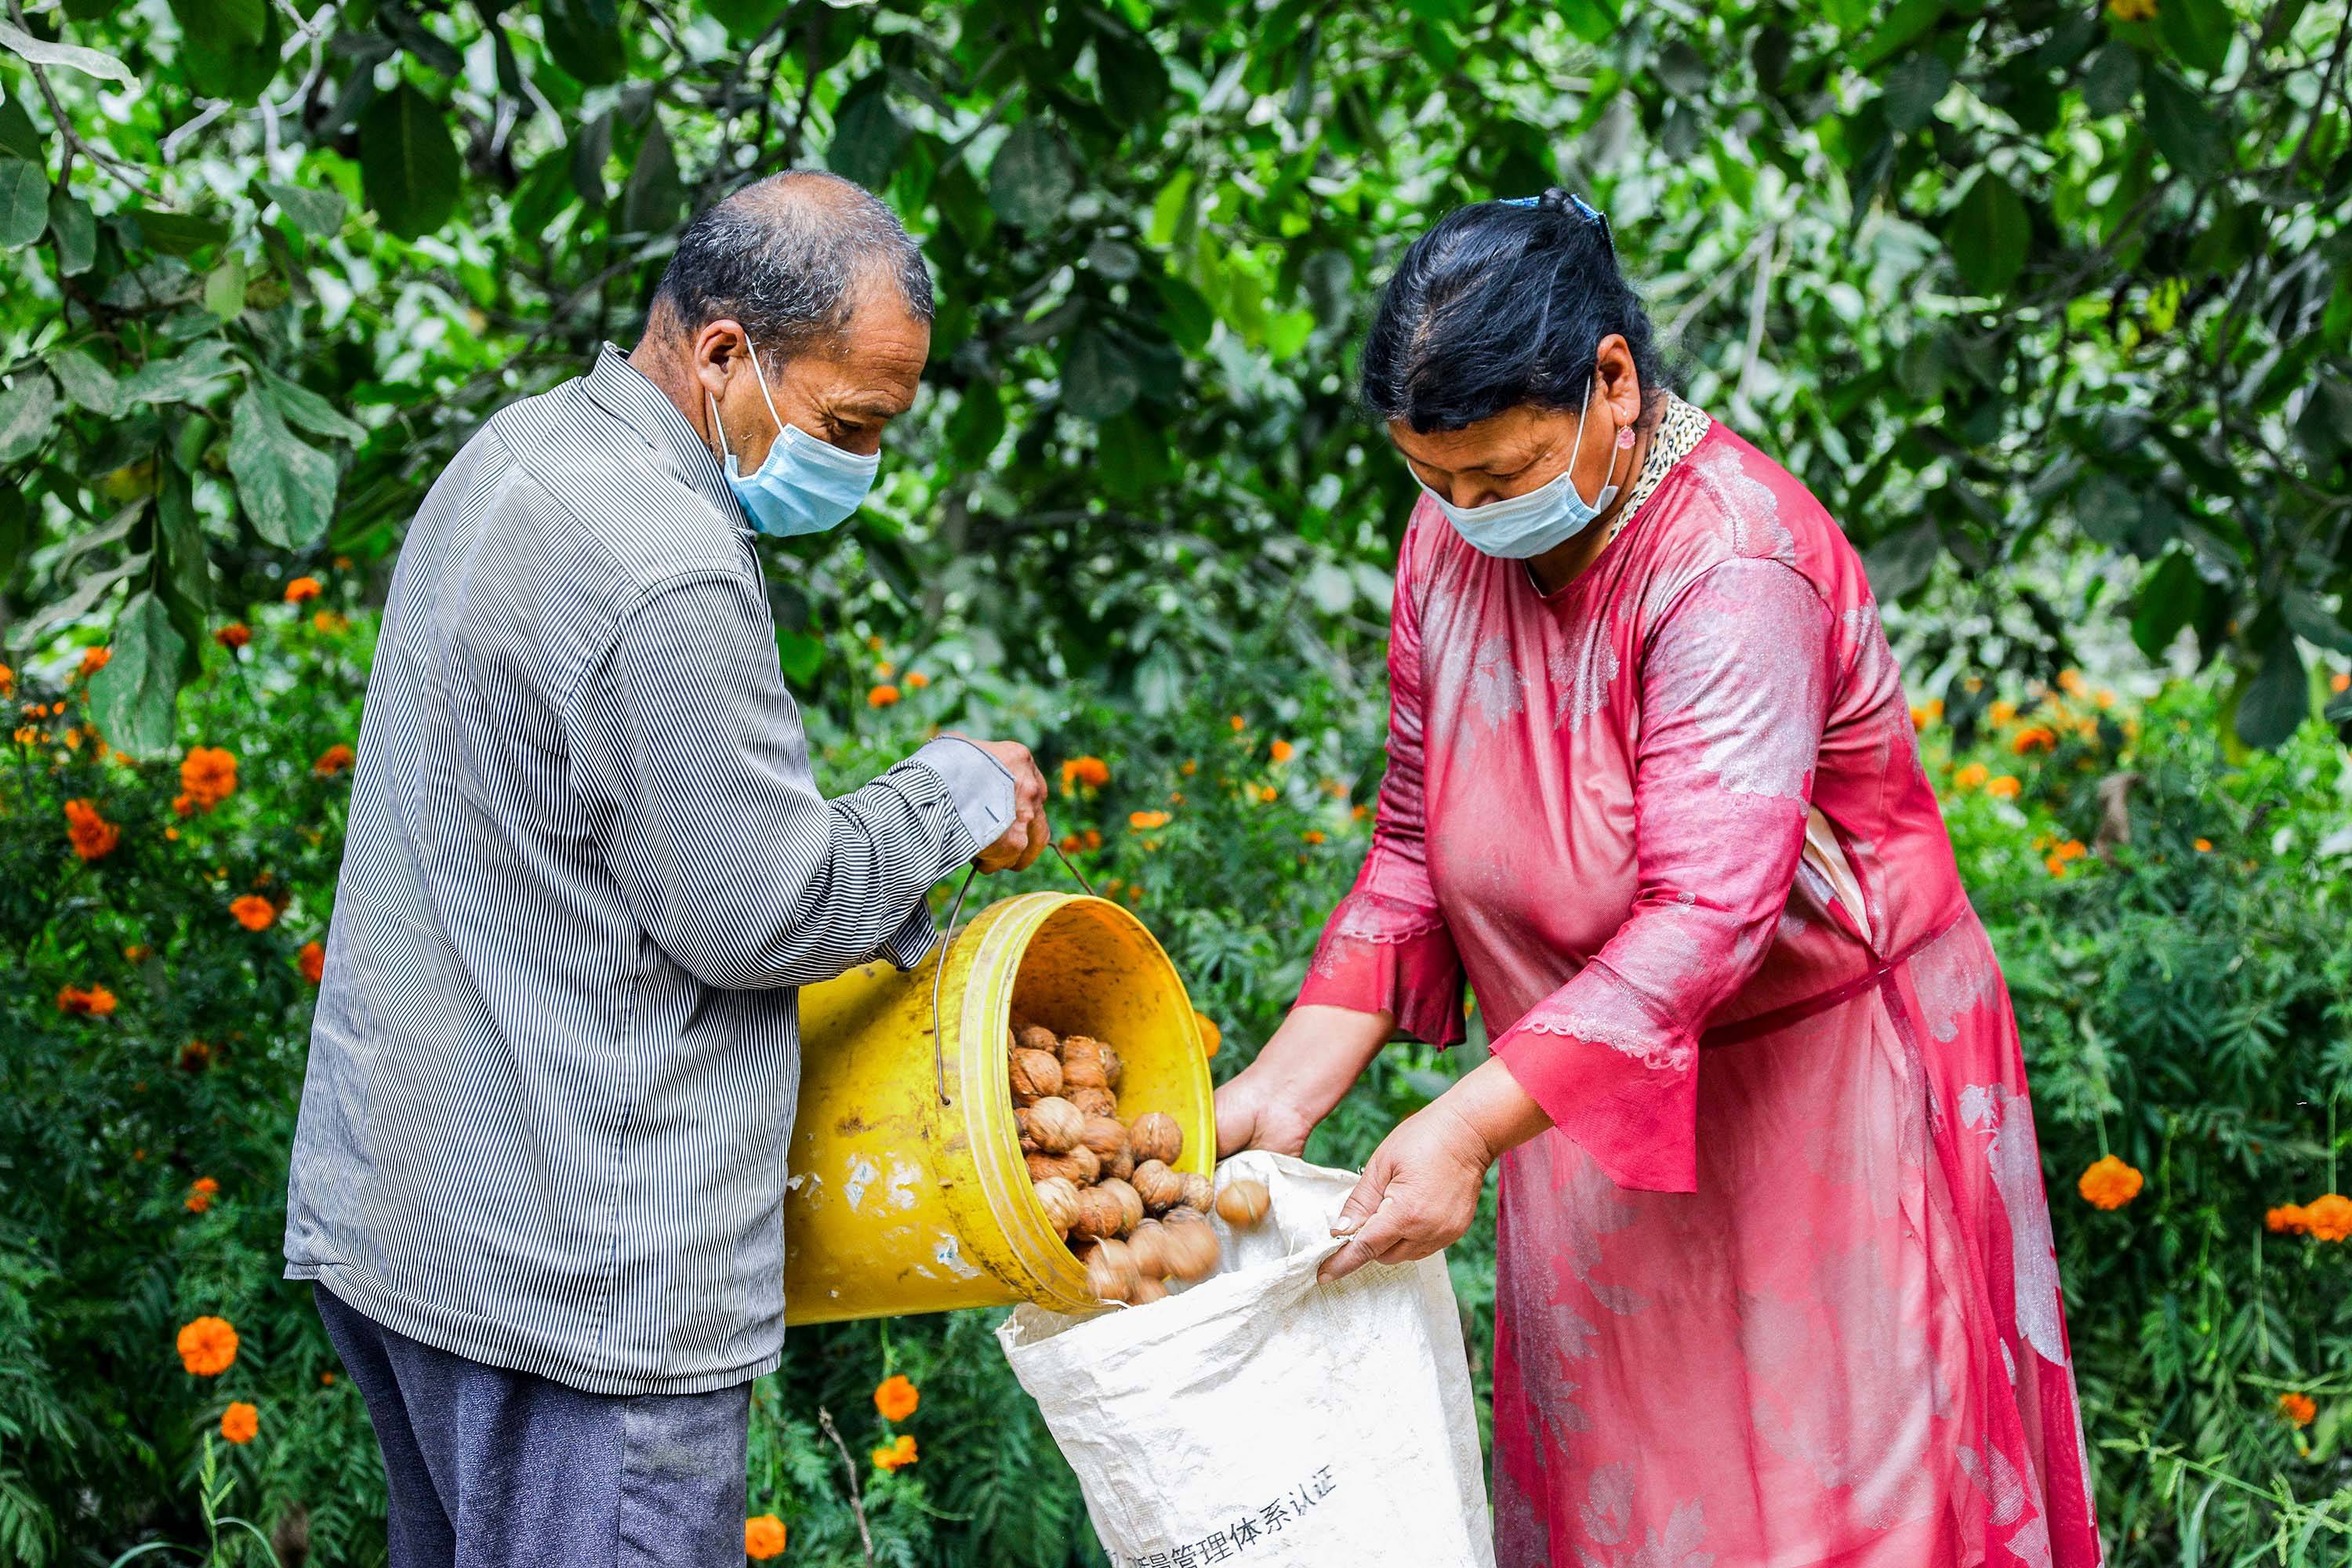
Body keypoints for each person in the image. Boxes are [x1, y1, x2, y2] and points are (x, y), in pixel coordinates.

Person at [1215, 189, 2102, 1568]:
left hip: (1818, 1108)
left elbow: (1705, 917)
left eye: (1500, 476)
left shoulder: (1733, 562)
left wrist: (1456, 1132)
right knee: (1633, 1512)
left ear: (1612, 384)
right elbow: (1410, 852)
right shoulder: (1451, 542)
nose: (1463, 513)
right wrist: (1275, 1096)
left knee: (1838, 1515)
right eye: (1431, 481)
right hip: (1580, 1110)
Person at [283, 172, 1050, 1567]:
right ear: (722, 353)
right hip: (580, 1287)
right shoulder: (665, 568)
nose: (864, 464)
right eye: (850, 424)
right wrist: (953, 791)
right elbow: (761, 906)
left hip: (412, 1222)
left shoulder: (520, 454)